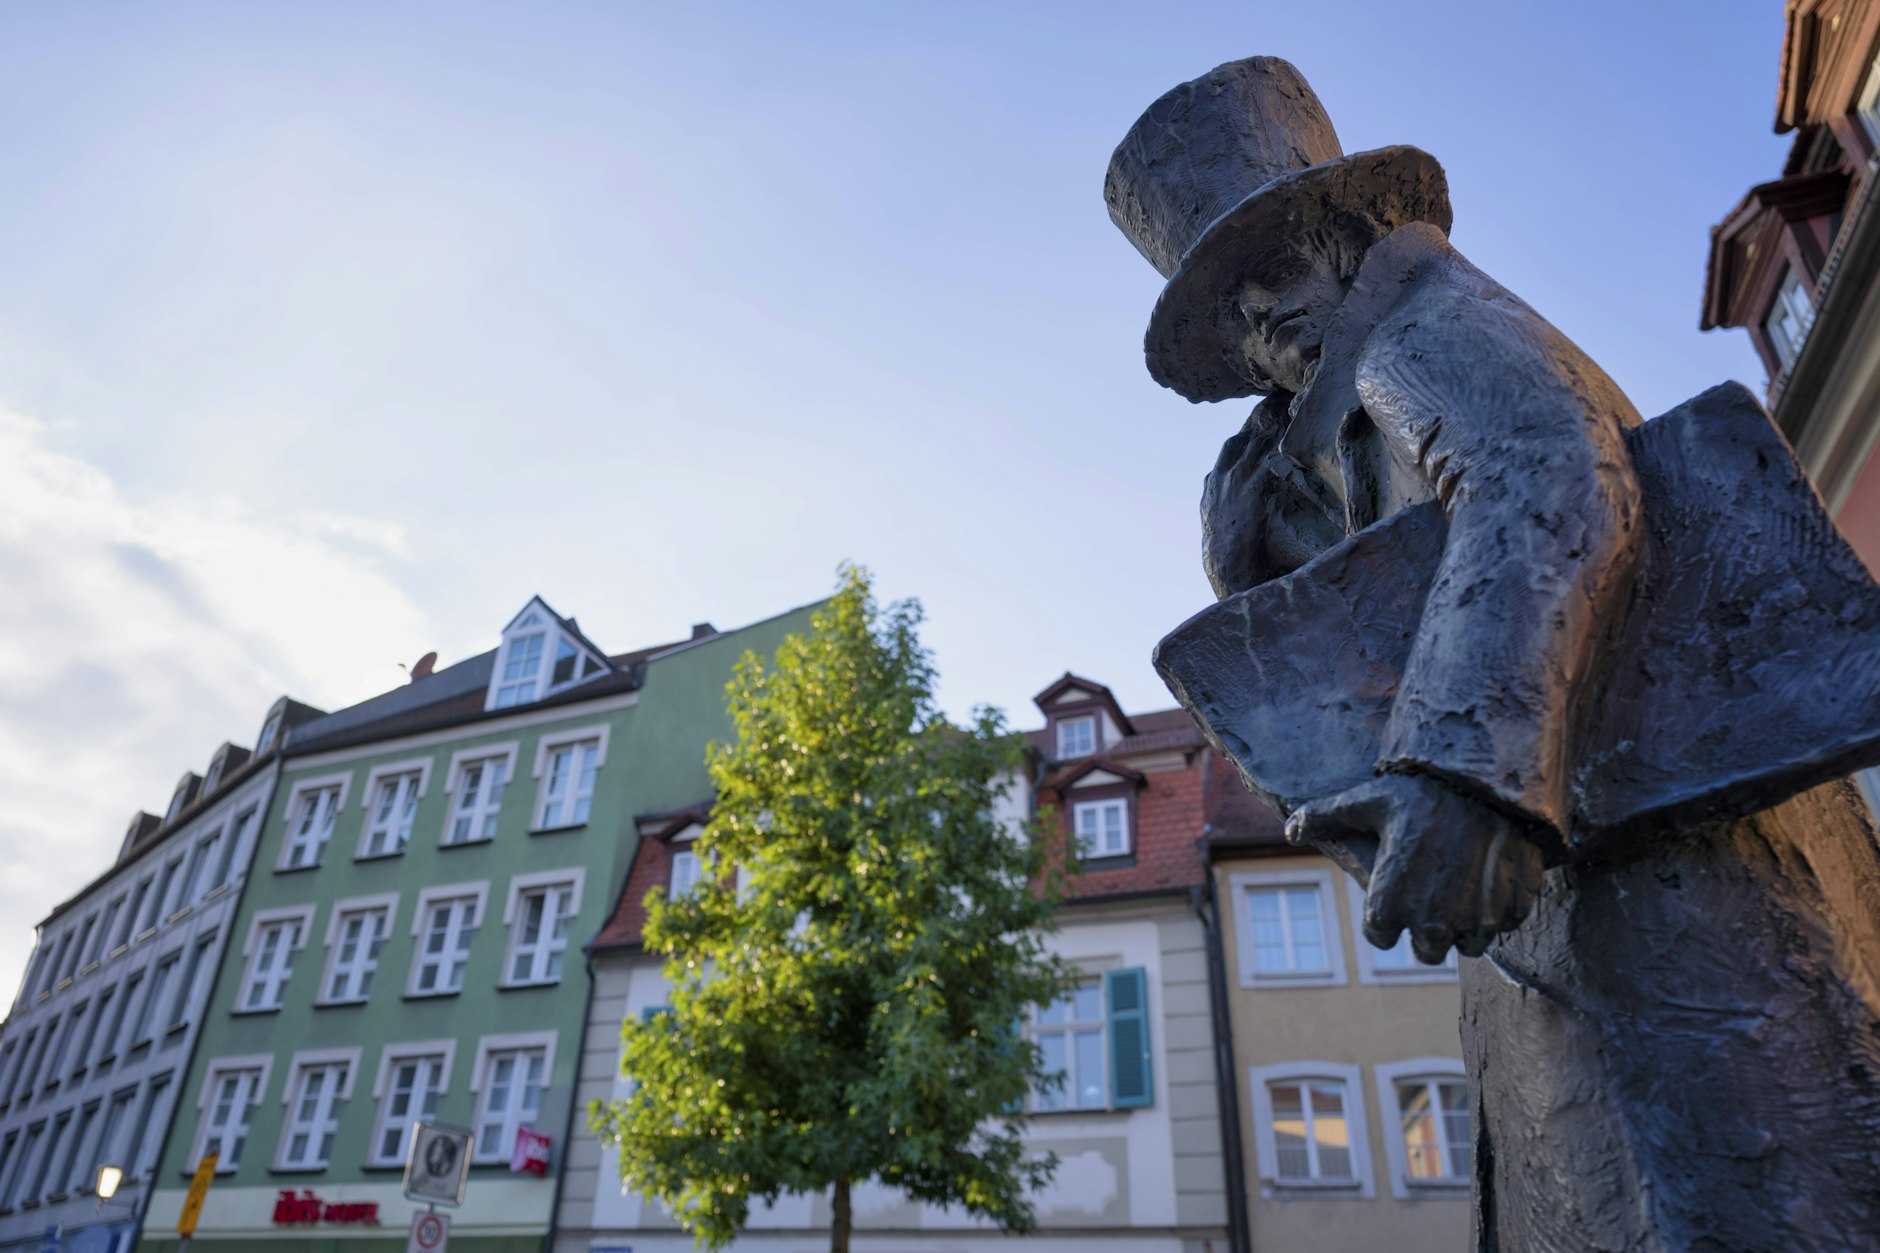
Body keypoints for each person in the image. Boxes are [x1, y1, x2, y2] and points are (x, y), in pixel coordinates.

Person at [1108, 56, 1880, 1249]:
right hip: (1573, 888)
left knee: (1742, 1192)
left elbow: (1545, 469)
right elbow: (1356, 665)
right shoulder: (1333, 431)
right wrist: (1251, 568)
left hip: (1666, 869)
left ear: (1355, 231)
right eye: (1230, 318)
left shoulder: (1421, 326)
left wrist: (1466, 773)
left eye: (1269, 271)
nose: (1259, 322)